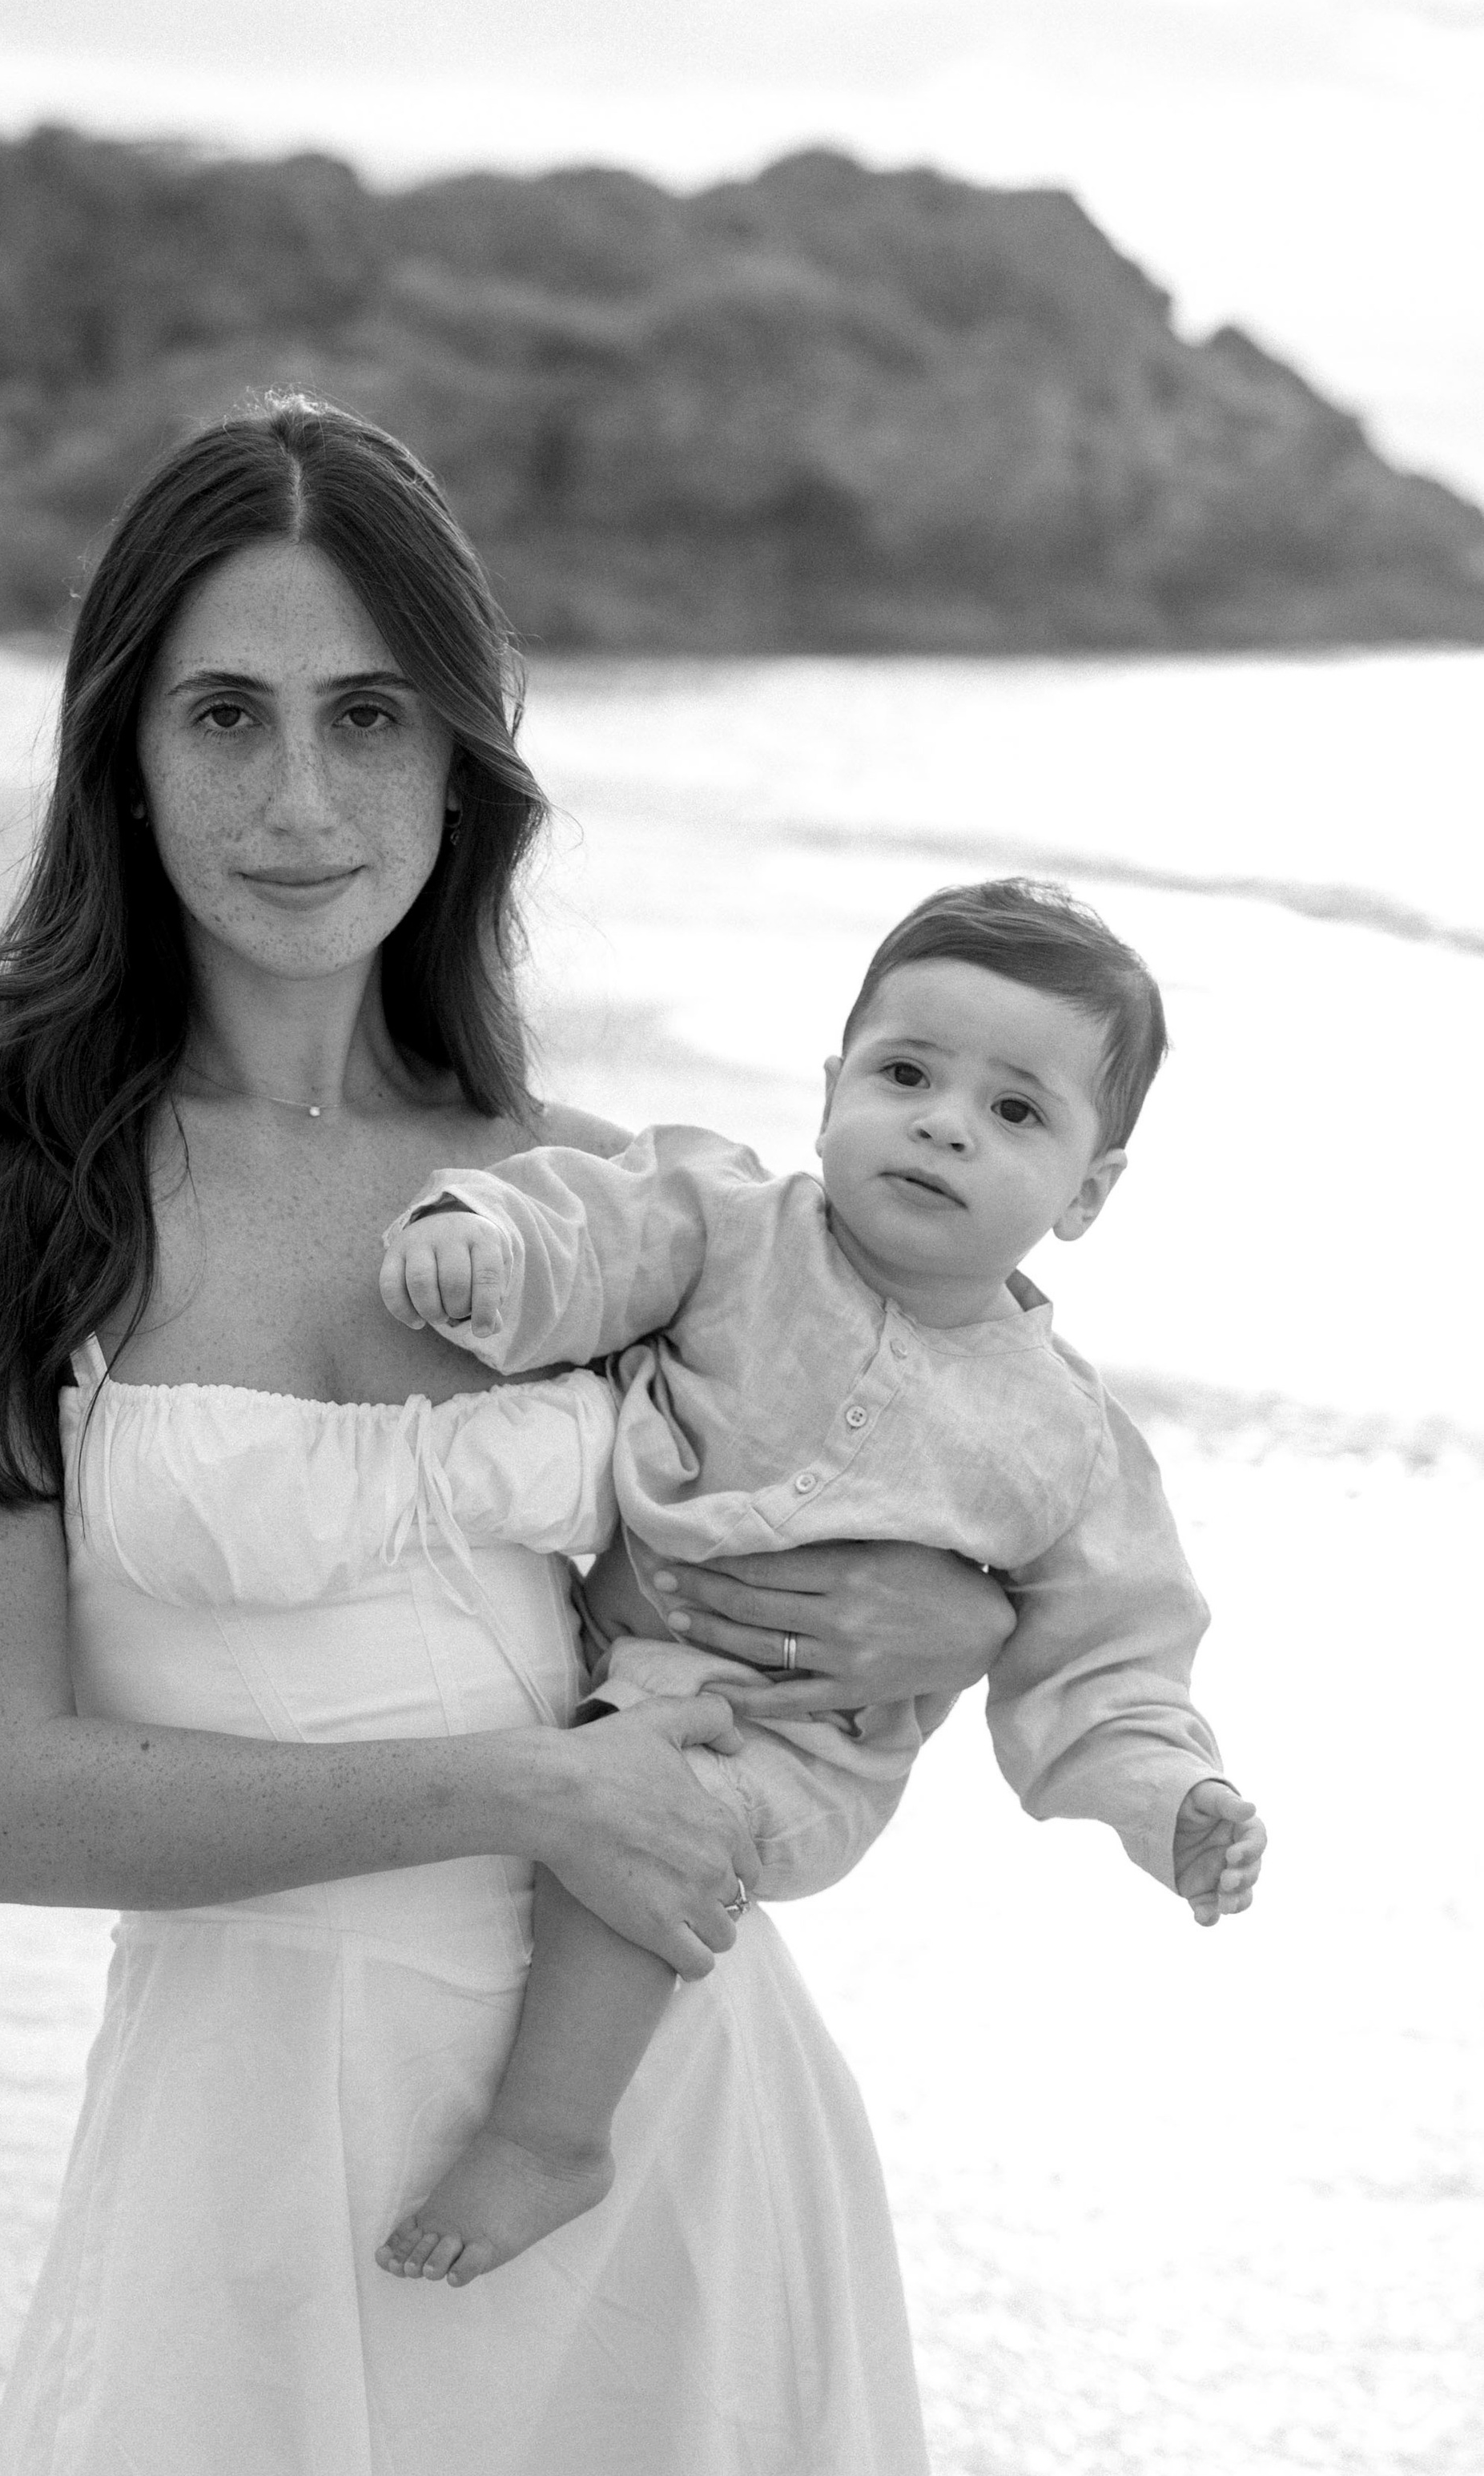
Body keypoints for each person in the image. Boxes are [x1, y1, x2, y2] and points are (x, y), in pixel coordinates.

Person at [0, 390, 1014, 2476]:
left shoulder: (612, 1199)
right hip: (259, 2156)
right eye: (224, 712)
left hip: (660, 2143)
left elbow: (722, 1687)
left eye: (370, 718)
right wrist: (512, 1778)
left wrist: (881, 1673)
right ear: (121, 740)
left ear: (467, 763)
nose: (300, 795)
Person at [375, 879, 1266, 2285]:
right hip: (602, 1657)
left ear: (1087, 1194)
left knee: (645, 1813)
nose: (946, 1120)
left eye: (1017, 1112)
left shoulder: (1066, 1439)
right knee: (594, 1776)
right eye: (906, 1072)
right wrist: (478, 1243)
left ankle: (551, 2136)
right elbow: (589, 1229)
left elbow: (1111, 1658)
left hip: (799, 1759)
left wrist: (1177, 1799)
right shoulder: (732, 1228)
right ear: (831, 1086)